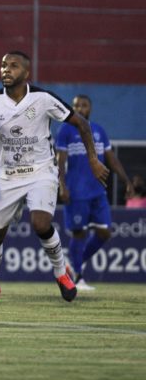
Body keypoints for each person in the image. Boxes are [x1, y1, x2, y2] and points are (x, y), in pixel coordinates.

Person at [0, 51, 109, 304]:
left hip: (41, 171)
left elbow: (82, 124)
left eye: (13, 66)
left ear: (26, 72)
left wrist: (93, 159)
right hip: (7, 176)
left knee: (41, 224)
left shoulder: (43, 99)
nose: (6, 70)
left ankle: (61, 274)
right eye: (3, 65)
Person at [56, 94, 134, 291]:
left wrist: (126, 181)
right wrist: (62, 185)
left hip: (98, 191)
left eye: (84, 105)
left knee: (104, 232)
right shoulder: (65, 130)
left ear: (90, 108)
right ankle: (78, 277)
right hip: (76, 191)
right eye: (76, 106)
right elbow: (60, 161)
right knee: (79, 233)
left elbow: (111, 158)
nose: (80, 109)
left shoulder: (99, 130)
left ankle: (74, 264)